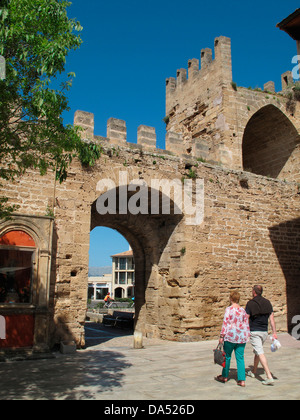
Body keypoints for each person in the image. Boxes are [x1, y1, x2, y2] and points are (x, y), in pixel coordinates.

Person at [216, 290, 250, 387]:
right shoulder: (243, 311)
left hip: (230, 337)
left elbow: (225, 323)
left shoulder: (229, 310)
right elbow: (246, 324)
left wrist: (222, 336)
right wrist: (247, 335)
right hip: (241, 337)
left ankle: (224, 376)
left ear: (231, 299)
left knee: (227, 357)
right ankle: (242, 380)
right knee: (240, 358)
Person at [245, 285, 278, 386]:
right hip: (264, 332)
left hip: (255, 332)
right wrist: (274, 332)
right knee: (257, 352)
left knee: (260, 352)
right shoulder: (267, 303)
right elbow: (272, 320)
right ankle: (254, 371)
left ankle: (269, 376)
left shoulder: (250, 304)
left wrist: (245, 332)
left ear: (254, 292)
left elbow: (246, 319)